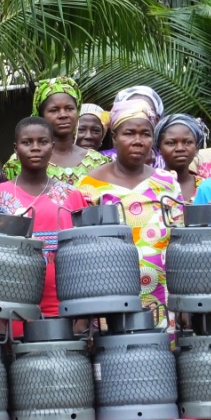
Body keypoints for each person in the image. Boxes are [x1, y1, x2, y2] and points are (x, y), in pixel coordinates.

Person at [78, 100, 183, 327]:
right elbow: (82, 250)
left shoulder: (167, 183)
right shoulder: (89, 185)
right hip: (109, 296)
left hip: (163, 296)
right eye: (129, 133)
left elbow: (181, 240)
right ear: (114, 138)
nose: (138, 141)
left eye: (145, 134)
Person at [0, 117, 87, 319]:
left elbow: (83, 257)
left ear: (52, 147)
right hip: (11, 304)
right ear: (16, 148)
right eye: (27, 142)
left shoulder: (71, 196)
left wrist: (82, 319)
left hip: (64, 303)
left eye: (43, 141)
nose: (35, 148)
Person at [4, 77, 106, 185]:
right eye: (54, 110)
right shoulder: (20, 161)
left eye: (69, 108)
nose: (63, 115)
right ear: (41, 115)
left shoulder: (98, 161)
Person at [156, 114, 208, 202]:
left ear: (196, 148)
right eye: (171, 143)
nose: (180, 148)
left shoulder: (207, 187)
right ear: (159, 149)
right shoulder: (147, 186)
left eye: (187, 142)